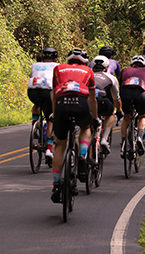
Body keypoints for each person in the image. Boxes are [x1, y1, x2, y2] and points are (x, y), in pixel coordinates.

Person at [50, 48, 97, 203]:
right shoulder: (89, 71)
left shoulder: (58, 68)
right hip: (81, 102)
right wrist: (94, 118)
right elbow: (92, 99)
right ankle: (82, 155)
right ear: (84, 61)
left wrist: (54, 114)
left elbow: (54, 94)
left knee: (60, 145)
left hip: (61, 103)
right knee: (85, 127)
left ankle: (56, 184)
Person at [119, 55, 145, 159]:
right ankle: (139, 137)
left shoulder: (124, 70)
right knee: (142, 117)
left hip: (125, 92)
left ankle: (123, 144)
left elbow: (120, 84)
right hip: (139, 92)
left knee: (126, 117)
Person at [28, 47, 59, 165]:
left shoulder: (35, 65)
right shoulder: (57, 66)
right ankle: (49, 149)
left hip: (32, 90)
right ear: (55, 57)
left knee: (37, 104)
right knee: (51, 117)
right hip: (48, 91)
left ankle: (35, 125)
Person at [91, 55, 122, 154]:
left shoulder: (88, 75)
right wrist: (119, 110)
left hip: (88, 102)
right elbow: (116, 99)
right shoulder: (111, 77)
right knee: (110, 114)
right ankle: (104, 138)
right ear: (107, 68)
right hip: (102, 101)